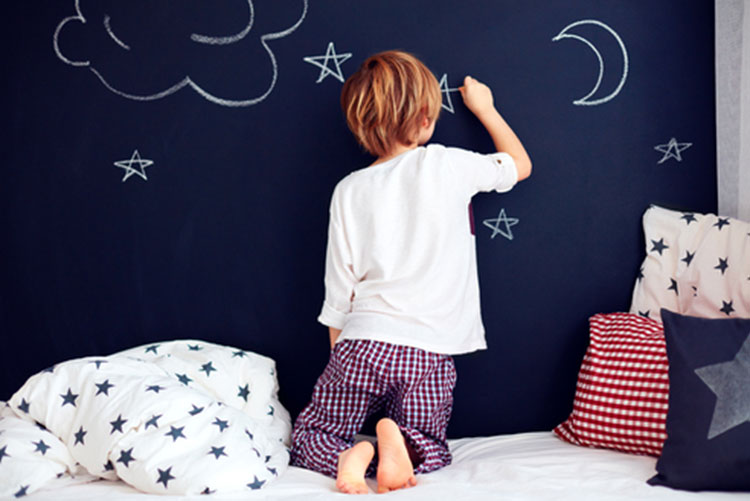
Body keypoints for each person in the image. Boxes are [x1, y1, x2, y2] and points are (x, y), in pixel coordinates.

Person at [290, 50, 532, 494]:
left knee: (309, 440)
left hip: (361, 341)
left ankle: (350, 454)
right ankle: (398, 445)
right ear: (426, 117)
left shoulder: (348, 190)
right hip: (428, 349)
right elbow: (520, 165)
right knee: (431, 448)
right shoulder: (446, 163)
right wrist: (485, 109)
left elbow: (338, 289)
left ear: (361, 124)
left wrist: (340, 363)